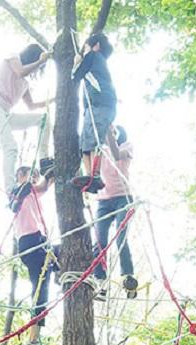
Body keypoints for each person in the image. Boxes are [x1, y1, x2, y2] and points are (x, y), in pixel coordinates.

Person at [0, 44, 52, 196]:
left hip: (4, 113)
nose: (38, 70)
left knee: (43, 119)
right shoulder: (13, 57)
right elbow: (20, 72)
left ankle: (44, 159)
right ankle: (11, 190)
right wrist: (40, 61)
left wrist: (53, 100)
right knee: (10, 146)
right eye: (39, 66)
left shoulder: (25, 84)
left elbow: (31, 106)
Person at [9, 164, 59, 345]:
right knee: (41, 287)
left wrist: (50, 175)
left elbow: (44, 186)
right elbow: (40, 187)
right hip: (30, 240)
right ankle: (33, 339)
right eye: (32, 175)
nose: (35, 179)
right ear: (21, 175)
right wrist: (47, 176)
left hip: (40, 240)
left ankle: (34, 338)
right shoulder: (18, 191)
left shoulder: (33, 195)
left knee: (45, 282)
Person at [92, 125, 137, 299]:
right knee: (99, 241)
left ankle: (128, 277)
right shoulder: (100, 150)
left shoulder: (126, 147)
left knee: (121, 237)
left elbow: (117, 154)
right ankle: (100, 282)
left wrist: (109, 129)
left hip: (122, 198)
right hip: (104, 201)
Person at [71, 33, 117, 193]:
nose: (84, 51)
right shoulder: (98, 62)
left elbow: (75, 76)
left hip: (100, 104)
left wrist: (77, 63)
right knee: (85, 141)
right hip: (97, 106)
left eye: (86, 47)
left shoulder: (94, 56)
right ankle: (91, 175)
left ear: (96, 45)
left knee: (92, 137)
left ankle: (95, 175)